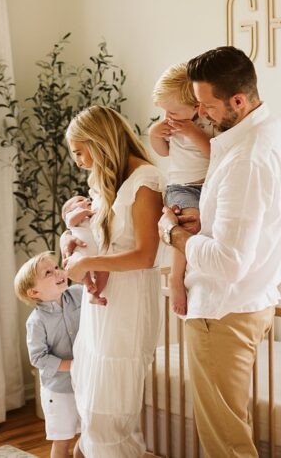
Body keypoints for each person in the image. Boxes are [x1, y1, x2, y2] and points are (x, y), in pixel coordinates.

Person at [157, 46, 281, 457]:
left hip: (223, 312)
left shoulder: (247, 159)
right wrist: (201, 226)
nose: (200, 114)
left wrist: (173, 234)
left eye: (206, 105)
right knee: (230, 432)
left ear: (238, 100)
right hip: (244, 304)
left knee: (226, 444)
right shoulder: (266, 133)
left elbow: (228, 262)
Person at [61, 105, 164, 457]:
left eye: (79, 151)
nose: (77, 161)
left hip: (130, 300)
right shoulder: (109, 179)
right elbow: (102, 237)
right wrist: (71, 236)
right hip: (104, 302)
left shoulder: (146, 182)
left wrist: (88, 261)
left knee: (110, 409)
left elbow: (145, 256)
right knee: (92, 397)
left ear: (99, 141)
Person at [148, 62, 215, 315]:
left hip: (208, 186)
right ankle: (176, 278)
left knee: (202, 226)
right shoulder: (170, 123)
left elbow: (215, 154)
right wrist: (155, 134)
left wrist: (193, 132)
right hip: (181, 186)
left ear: (197, 106)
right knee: (188, 223)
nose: (168, 117)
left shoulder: (209, 122)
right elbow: (163, 151)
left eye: (172, 112)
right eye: (164, 112)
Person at [15, 252, 85, 458]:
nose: (58, 272)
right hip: (59, 390)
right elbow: (38, 358)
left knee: (89, 434)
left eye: (56, 267)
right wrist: (71, 365)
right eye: (48, 272)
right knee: (62, 440)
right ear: (34, 292)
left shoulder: (79, 294)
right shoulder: (36, 321)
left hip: (85, 382)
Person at [62, 193, 109, 305]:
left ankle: (95, 294)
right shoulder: (73, 216)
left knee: (104, 272)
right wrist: (85, 212)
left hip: (96, 254)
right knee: (83, 268)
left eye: (86, 199)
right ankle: (88, 284)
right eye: (79, 200)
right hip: (80, 251)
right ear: (68, 211)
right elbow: (70, 222)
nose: (87, 199)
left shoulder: (88, 219)